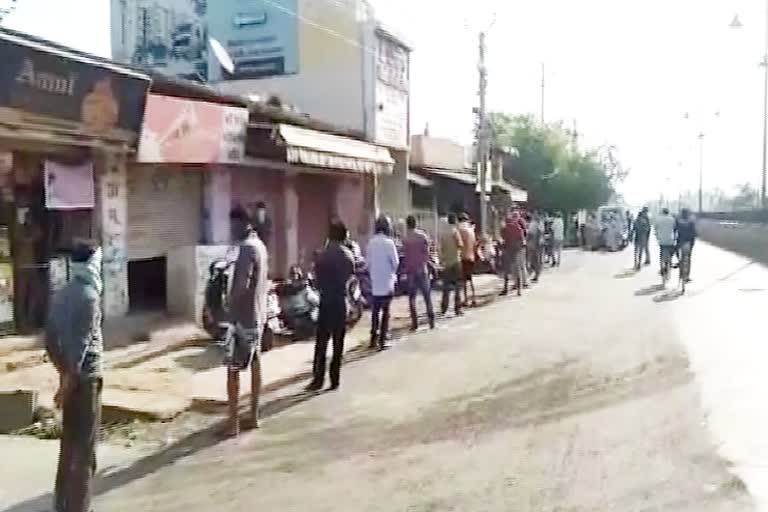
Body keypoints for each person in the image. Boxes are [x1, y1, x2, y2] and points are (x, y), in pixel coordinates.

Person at [45, 240, 103, 512]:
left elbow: (50, 340)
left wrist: (61, 376)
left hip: (70, 378)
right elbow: (79, 353)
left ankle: (62, 504)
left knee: (68, 446)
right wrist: (66, 385)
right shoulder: (90, 296)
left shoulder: (63, 292)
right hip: (85, 380)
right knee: (84, 451)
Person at [227, 206, 269, 435]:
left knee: (233, 369)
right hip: (258, 315)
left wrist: (227, 304)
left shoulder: (246, 249)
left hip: (242, 318)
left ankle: (232, 424)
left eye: (234, 225)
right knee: (255, 364)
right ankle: (253, 415)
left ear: (243, 223)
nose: (231, 230)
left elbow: (240, 286)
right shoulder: (260, 246)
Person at [307, 221, 355, 391]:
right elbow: (350, 277)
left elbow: (316, 280)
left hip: (325, 301)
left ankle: (318, 379)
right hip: (340, 301)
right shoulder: (348, 256)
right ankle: (335, 379)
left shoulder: (322, 255)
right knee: (338, 342)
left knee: (321, 343)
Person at [366, 215, 399, 350]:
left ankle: (373, 338)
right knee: (386, 312)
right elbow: (396, 263)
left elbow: (368, 263)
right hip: (387, 281)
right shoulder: (389, 243)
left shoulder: (371, 242)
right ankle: (383, 340)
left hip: (375, 282)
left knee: (375, 312)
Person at [402, 215, 435, 330]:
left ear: (407, 224)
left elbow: (405, 255)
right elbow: (427, 253)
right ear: (416, 223)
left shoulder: (405, 238)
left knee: (412, 297)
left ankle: (414, 323)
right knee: (427, 296)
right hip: (422, 269)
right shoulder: (422, 236)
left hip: (410, 271)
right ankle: (431, 320)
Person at [438, 213, 464, 316]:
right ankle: (457, 308)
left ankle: (444, 308)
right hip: (455, 261)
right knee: (458, 285)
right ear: (455, 221)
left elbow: (441, 248)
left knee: (446, 286)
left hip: (446, 262)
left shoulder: (444, 233)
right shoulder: (455, 231)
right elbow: (460, 245)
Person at [501, 212, 526, 296]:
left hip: (508, 251)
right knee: (517, 270)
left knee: (506, 271)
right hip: (517, 251)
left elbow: (502, 240)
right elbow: (522, 242)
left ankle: (505, 289)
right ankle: (519, 290)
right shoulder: (519, 229)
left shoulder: (504, 229)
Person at [457, 212, 477, 307]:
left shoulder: (459, 230)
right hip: (471, 257)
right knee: (470, 278)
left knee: (464, 280)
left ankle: (466, 299)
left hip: (463, 257)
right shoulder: (471, 230)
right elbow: (474, 244)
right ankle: (473, 297)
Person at [675, 208, 697, 282]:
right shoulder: (691, 221)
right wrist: (692, 243)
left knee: (681, 258)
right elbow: (694, 233)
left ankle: (681, 273)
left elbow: (674, 230)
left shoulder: (678, 220)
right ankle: (687, 276)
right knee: (688, 259)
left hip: (680, 242)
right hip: (688, 242)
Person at [653, 207, 676, 280]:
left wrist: (657, 236)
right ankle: (669, 264)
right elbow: (675, 229)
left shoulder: (658, 219)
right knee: (670, 253)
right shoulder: (672, 219)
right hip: (670, 240)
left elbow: (655, 229)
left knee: (661, 254)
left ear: (662, 212)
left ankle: (662, 268)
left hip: (661, 240)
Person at [525, 212, 543, 282]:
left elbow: (530, 234)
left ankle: (535, 276)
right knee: (537, 261)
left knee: (534, 260)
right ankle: (536, 275)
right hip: (539, 244)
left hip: (533, 244)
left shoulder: (533, 224)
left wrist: (526, 241)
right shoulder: (540, 223)